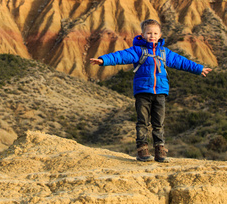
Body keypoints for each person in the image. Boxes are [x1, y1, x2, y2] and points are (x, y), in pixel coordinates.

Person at [90, 19, 212, 162]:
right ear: (142, 34)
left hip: (160, 92)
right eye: (149, 33)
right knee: (142, 122)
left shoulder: (164, 52)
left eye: (155, 33)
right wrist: (103, 60)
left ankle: (160, 150)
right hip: (142, 92)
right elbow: (120, 56)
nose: (152, 36)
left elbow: (182, 62)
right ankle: (142, 150)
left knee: (158, 123)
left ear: (160, 35)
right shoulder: (137, 50)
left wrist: (198, 69)